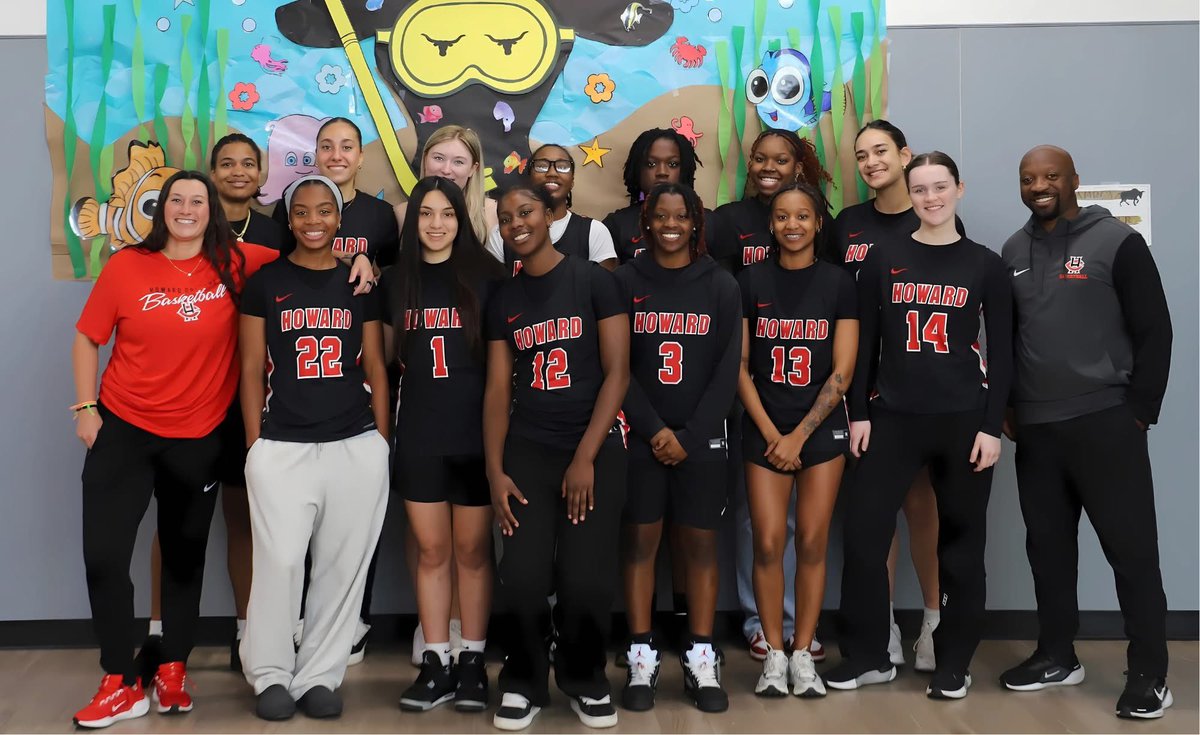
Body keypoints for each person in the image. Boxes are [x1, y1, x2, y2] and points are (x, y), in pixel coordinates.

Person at [70, 171, 278, 728]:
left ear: (212, 211)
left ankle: (172, 669)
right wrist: (86, 408)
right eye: (177, 200)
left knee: (184, 560)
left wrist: (360, 262)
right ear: (163, 209)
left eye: (197, 201)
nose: (186, 209)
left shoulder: (237, 262)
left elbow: (309, 256)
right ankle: (120, 679)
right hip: (124, 429)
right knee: (104, 557)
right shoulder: (127, 265)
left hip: (198, 438)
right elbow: (88, 337)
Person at [826, 152, 1012, 700]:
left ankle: (954, 661)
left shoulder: (984, 264)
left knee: (961, 544)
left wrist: (991, 426)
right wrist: (860, 412)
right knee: (864, 536)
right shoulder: (883, 258)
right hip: (892, 416)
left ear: (959, 189)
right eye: (921, 189)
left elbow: (1002, 353)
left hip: (962, 420)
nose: (931, 198)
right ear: (909, 195)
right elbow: (865, 344)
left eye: (940, 187)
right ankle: (868, 656)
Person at [999, 145, 1173, 720]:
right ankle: (1057, 655)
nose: (1039, 186)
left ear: (1075, 179)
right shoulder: (1013, 251)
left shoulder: (1117, 242)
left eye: (1050, 176)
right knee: (1048, 551)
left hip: (1106, 424)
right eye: (1028, 178)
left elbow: (1155, 329)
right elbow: (1010, 338)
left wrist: (1139, 411)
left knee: (1132, 552)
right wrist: (1009, 406)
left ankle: (1149, 674)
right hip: (1038, 431)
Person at [238, 175, 391, 721]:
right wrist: (255, 446)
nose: (313, 221)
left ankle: (320, 675)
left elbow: (376, 366)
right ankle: (270, 673)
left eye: (324, 210)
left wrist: (380, 443)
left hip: (354, 442)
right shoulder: (265, 283)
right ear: (289, 218)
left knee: (341, 566)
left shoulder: (358, 284)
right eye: (301, 212)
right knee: (279, 563)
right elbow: (250, 369)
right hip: (284, 443)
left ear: (338, 218)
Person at [140, 133, 291, 679]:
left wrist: (360, 261)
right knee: (173, 520)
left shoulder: (276, 234)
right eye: (226, 163)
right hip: (187, 398)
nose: (237, 171)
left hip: (249, 397)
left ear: (262, 174)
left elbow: (314, 267)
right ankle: (158, 633)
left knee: (243, 518)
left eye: (248, 163)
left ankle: (247, 633)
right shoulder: (185, 229)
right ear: (210, 172)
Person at [484, 186, 629, 731]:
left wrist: (585, 457)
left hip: (592, 449)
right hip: (528, 450)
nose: (516, 224)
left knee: (585, 581)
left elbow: (618, 373)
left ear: (549, 216)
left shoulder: (594, 281)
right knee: (521, 577)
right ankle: (523, 678)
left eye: (525, 213)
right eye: (505, 219)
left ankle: (584, 677)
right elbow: (498, 391)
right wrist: (495, 471)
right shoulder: (504, 298)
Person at [834, 120, 966, 671]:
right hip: (866, 391)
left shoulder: (933, 214)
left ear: (906, 156)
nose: (871, 162)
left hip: (925, 392)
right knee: (874, 513)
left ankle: (934, 621)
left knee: (923, 506)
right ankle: (880, 626)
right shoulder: (848, 224)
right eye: (862, 154)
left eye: (881, 151)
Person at [615, 183, 740, 713]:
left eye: (681, 216)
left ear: (695, 223)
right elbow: (617, 365)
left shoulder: (720, 284)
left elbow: (727, 367)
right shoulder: (625, 281)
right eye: (660, 216)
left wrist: (690, 435)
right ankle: (641, 653)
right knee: (640, 544)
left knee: (700, 548)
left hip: (701, 441)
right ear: (646, 221)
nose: (671, 225)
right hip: (643, 440)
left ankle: (701, 655)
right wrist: (653, 430)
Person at [382, 177, 504, 712]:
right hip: (420, 435)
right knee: (431, 550)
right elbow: (386, 359)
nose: (436, 224)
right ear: (413, 221)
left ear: (461, 218)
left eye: (447, 214)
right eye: (426, 214)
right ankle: (436, 662)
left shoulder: (489, 276)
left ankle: (472, 661)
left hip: (475, 438)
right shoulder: (396, 280)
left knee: (473, 551)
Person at [714, 129, 832, 662]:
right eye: (760, 158)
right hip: (748, 381)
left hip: (808, 388)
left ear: (797, 165)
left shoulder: (817, 219)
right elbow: (719, 296)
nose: (769, 167)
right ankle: (759, 621)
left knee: (807, 527)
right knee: (758, 521)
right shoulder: (730, 221)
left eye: (781, 159)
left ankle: (798, 623)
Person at [738, 183, 858, 698]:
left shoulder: (838, 282)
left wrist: (801, 434)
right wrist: (774, 435)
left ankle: (803, 651)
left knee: (811, 540)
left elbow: (843, 370)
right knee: (767, 542)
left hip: (820, 428)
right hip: (765, 429)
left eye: (803, 216)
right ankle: (773, 652)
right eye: (783, 216)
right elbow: (740, 365)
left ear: (817, 223)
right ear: (771, 224)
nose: (793, 225)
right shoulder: (750, 280)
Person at [272, 117, 399, 269]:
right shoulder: (288, 208)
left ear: (360, 157)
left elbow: (386, 272)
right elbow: (279, 263)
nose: (336, 156)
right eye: (326, 147)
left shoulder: (381, 213)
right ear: (316, 155)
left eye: (347, 147)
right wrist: (351, 257)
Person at [487, 143, 617, 273]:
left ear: (572, 181)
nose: (552, 173)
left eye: (562, 167)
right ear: (529, 177)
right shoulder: (502, 234)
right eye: (541, 166)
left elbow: (603, 284)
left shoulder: (594, 231)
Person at [602, 128, 706, 265]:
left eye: (672, 164)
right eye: (651, 164)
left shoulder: (709, 221)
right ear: (637, 169)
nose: (662, 172)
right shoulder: (617, 224)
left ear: (685, 169)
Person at [398, 124, 497, 245]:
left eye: (458, 162)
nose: (446, 170)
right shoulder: (401, 213)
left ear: (473, 169)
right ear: (425, 159)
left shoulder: (492, 214)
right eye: (439, 158)